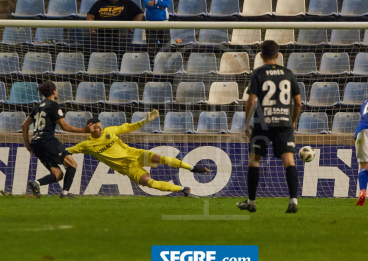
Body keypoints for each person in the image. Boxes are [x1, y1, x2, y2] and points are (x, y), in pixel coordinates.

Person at [67, 110, 210, 196]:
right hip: (129, 169)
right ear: (90, 129)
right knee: (151, 184)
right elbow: (67, 151)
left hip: (136, 154)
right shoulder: (86, 145)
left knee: (160, 158)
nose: (100, 129)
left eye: (100, 126)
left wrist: (146, 120)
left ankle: (193, 168)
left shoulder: (110, 131)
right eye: (97, 127)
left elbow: (130, 127)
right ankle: (183, 189)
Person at [237, 40, 302, 213]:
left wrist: (246, 122)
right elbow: (298, 103)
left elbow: (251, 100)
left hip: (263, 122)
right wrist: (293, 120)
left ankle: (251, 201)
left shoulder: (258, 73)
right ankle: (293, 201)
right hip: (284, 123)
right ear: (277, 55)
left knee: (254, 161)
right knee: (289, 161)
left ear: (260, 55)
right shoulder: (288, 73)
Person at [21, 81, 91, 198]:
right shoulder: (53, 105)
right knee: (72, 164)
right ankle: (65, 193)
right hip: (47, 140)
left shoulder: (38, 106)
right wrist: (84, 130)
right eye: (56, 89)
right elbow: (64, 126)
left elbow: (24, 125)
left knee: (58, 174)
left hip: (36, 143)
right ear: (54, 91)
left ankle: (36, 183)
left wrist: (27, 144)